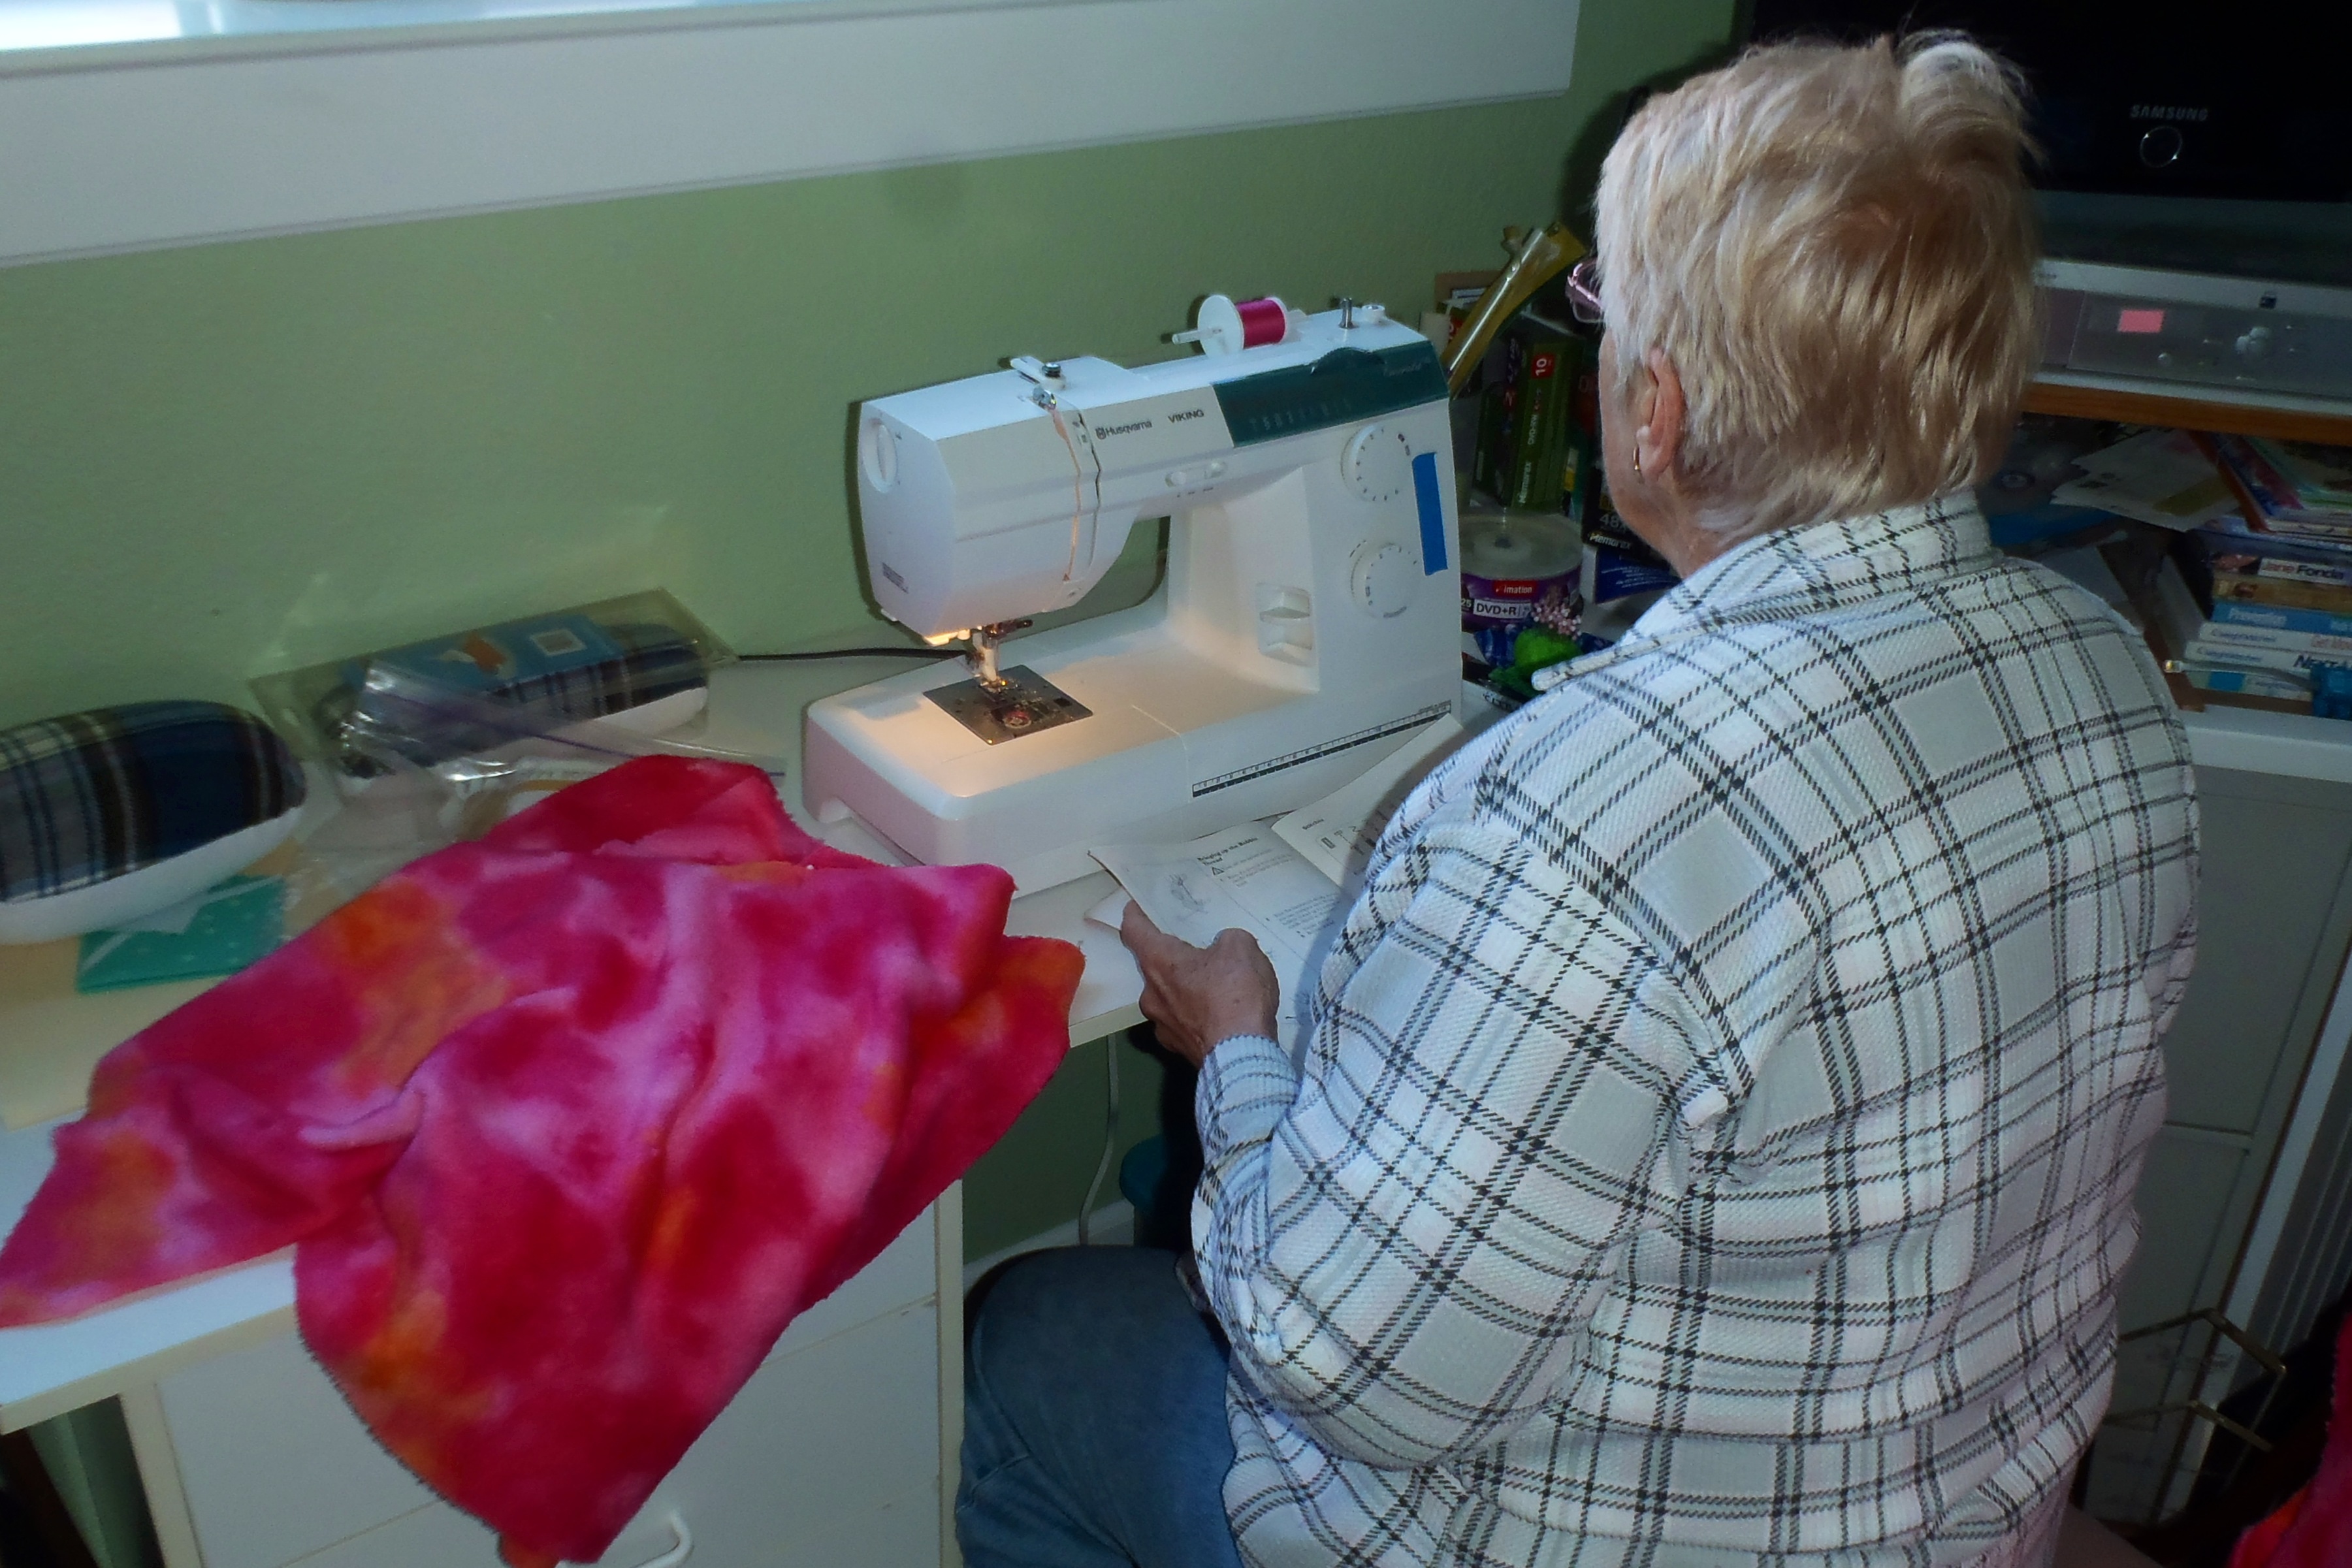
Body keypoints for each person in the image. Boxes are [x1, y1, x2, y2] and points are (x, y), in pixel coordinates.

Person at [956, 32, 2199, 1568]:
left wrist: (1239, 1051)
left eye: (1601, 311)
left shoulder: (1587, 816)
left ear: (1653, 408)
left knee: (1030, 1343)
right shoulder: (2104, 667)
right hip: (1958, 1515)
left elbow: (1337, 1362)